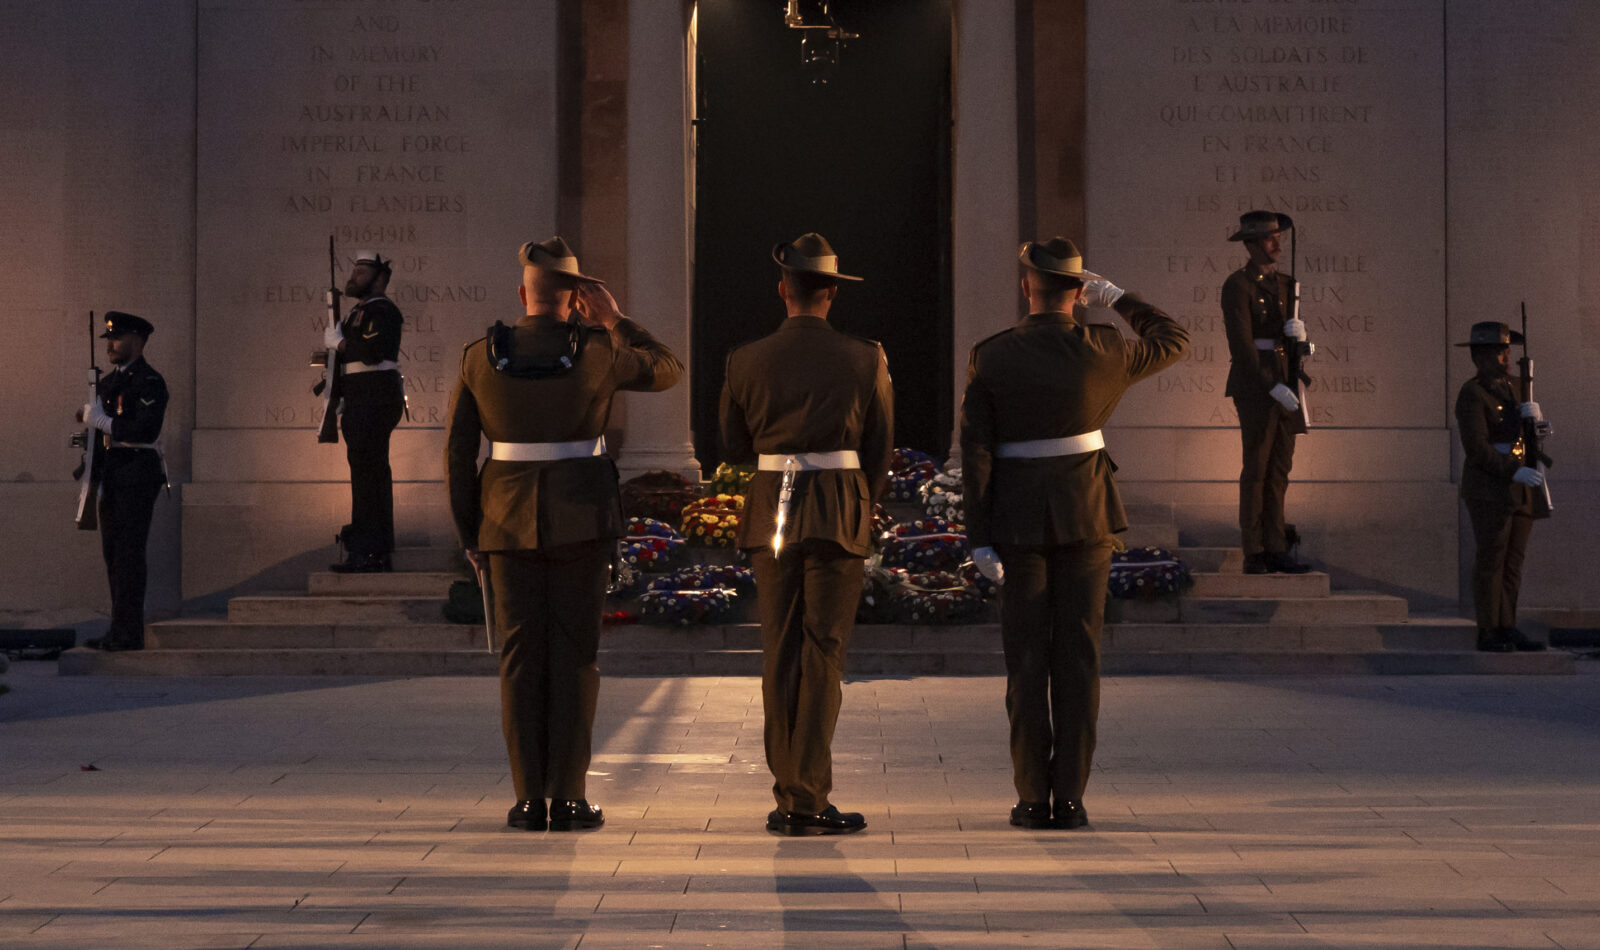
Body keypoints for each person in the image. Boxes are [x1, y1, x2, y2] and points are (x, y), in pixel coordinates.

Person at [445, 237, 683, 831]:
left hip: (502, 521)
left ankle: (529, 799)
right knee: (577, 657)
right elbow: (668, 370)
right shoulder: (602, 350)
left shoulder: (479, 356)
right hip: (582, 520)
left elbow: (456, 455)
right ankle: (571, 797)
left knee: (521, 660)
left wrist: (470, 533)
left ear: (522, 293)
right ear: (577, 299)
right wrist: (618, 319)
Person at [960, 237, 1186, 829]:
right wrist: (1120, 299)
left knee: (1028, 659)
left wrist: (978, 536)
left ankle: (1033, 796)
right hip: (1087, 515)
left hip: (1016, 519)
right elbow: (1174, 338)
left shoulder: (993, 356)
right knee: (1080, 657)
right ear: (1080, 290)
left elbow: (978, 451)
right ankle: (1073, 797)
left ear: (1025, 287)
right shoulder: (1106, 349)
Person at [720, 232, 893, 836]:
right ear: (831, 294)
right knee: (824, 653)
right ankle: (808, 795)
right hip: (839, 508)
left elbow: (734, 446)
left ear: (782, 289)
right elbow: (878, 447)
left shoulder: (745, 358)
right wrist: (859, 500)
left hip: (774, 508)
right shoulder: (866, 356)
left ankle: (789, 790)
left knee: (781, 651)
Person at [1221, 210, 1312, 574]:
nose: (1277, 244)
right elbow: (1242, 347)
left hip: (1286, 381)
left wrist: (1301, 339)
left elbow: (1287, 343)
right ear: (1251, 244)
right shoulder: (1238, 285)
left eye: (1278, 237)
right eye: (1269, 239)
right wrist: (1270, 385)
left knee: (1279, 469)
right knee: (1256, 468)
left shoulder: (1287, 284)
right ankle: (1254, 548)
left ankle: (1276, 545)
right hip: (1258, 387)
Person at [1454, 321, 1549, 653]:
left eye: (1506, 350)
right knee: (1491, 560)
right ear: (1479, 357)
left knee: (1513, 561)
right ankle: (1488, 630)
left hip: (1521, 489)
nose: (1504, 358)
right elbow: (1478, 449)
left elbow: (1523, 437)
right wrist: (1514, 471)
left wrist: (1538, 425)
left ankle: (1507, 624)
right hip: (1490, 490)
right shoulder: (1473, 393)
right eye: (1497, 351)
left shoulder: (1518, 387)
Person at [77, 312, 169, 652]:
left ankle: (130, 633)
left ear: (138, 340)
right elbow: (97, 433)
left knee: (129, 554)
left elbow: (145, 429)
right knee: (113, 554)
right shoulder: (108, 383)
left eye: (117, 338)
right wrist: (92, 476)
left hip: (137, 472)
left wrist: (105, 423)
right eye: (109, 339)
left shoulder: (149, 382)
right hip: (113, 473)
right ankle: (118, 629)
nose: (111, 345)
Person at [325, 250, 406, 573]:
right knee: (365, 475)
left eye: (362, 272)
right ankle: (368, 547)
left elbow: (370, 353)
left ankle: (370, 552)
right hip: (362, 398)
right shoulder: (358, 312)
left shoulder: (383, 311)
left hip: (374, 398)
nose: (354, 276)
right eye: (354, 270)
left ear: (380, 279)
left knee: (369, 476)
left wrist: (340, 345)